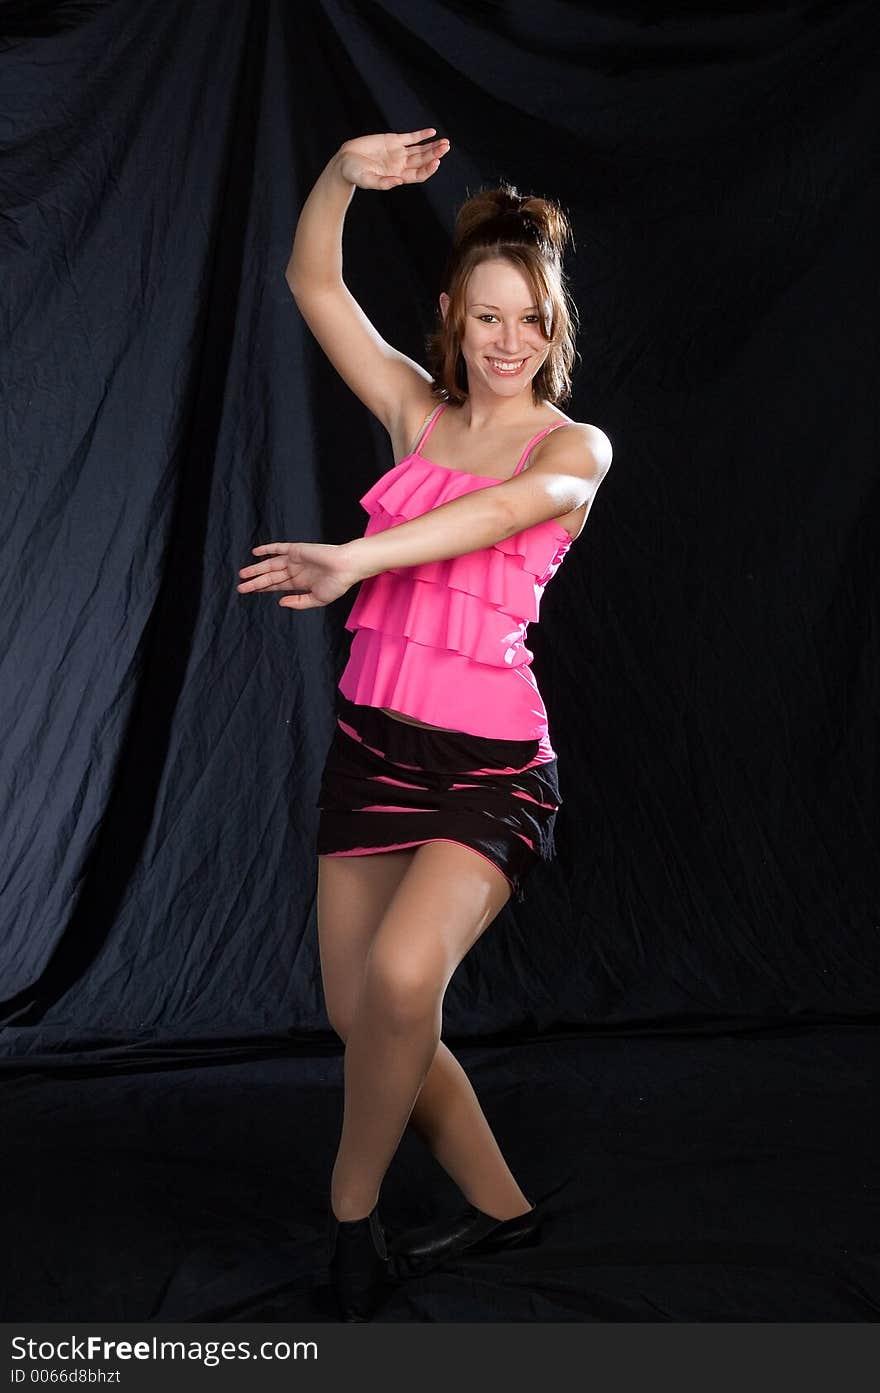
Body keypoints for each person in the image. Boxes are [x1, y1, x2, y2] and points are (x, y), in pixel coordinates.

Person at [237, 129, 612, 1320]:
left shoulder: (574, 448)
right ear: (454, 313)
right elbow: (312, 284)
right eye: (489, 317)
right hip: (370, 750)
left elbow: (497, 513)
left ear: (556, 329)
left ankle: (353, 1219)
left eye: (533, 321)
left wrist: (356, 556)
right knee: (364, 1013)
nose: (511, 343)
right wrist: (342, 177)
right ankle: (505, 1209)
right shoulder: (415, 409)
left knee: (404, 980)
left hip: (489, 768)